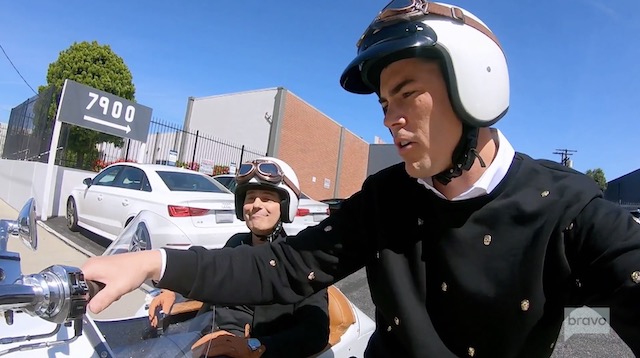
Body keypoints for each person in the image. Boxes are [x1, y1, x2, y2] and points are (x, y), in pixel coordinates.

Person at [82, 1, 640, 357]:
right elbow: (284, 268)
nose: (389, 117)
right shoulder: (386, 198)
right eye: (383, 101)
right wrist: (155, 263)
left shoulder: (567, 207)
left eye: (406, 92)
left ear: (476, 87)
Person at [151, 156, 329, 358]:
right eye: (250, 198)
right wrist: (173, 290)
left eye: (268, 198)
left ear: (285, 206)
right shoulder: (236, 243)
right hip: (201, 342)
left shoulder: (299, 260)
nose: (256, 205)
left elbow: (316, 332)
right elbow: (209, 271)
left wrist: (254, 346)